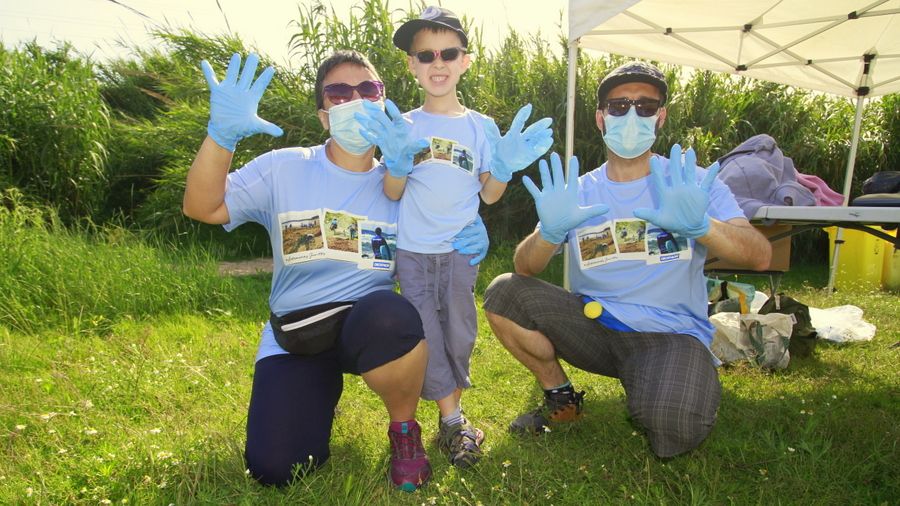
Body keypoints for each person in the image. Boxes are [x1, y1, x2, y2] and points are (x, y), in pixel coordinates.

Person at [182, 50, 489, 491]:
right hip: (298, 334)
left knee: (391, 313)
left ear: (385, 102)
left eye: (369, 90)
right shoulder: (285, 167)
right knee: (275, 468)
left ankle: (404, 432)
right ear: (324, 116)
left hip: (370, 329)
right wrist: (221, 137)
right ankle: (316, 390)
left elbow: (449, 217)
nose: (356, 100)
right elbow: (202, 206)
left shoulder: (401, 183)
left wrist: (471, 222)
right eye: (339, 93)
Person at [483, 61, 772, 458]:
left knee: (674, 426)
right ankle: (561, 398)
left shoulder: (692, 184)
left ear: (661, 116)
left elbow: (759, 254)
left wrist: (702, 225)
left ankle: (661, 385)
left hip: (669, 335)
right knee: (504, 293)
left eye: (645, 105)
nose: (631, 115)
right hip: (592, 324)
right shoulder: (578, 190)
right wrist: (547, 233)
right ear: (601, 118)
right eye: (619, 106)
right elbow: (526, 268)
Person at [355, 6, 553, 468]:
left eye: (448, 53)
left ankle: (453, 419)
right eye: (425, 55)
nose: (437, 63)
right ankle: (453, 422)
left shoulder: (480, 127)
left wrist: (501, 167)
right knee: (425, 331)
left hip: (462, 253)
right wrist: (399, 164)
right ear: (411, 65)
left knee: (460, 333)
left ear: (465, 60)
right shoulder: (401, 125)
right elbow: (390, 190)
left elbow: (489, 193)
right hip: (413, 252)